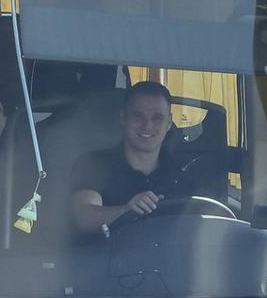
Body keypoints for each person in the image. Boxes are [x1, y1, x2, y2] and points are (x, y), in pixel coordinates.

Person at [70, 81, 213, 234]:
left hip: (171, 256)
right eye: (138, 116)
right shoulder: (94, 164)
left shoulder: (185, 173)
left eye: (157, 118)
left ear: (169, 123)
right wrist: (126, 211)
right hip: (108, 256)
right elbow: (83, 216)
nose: (147, 126)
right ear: (123, 118)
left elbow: (204, 227)